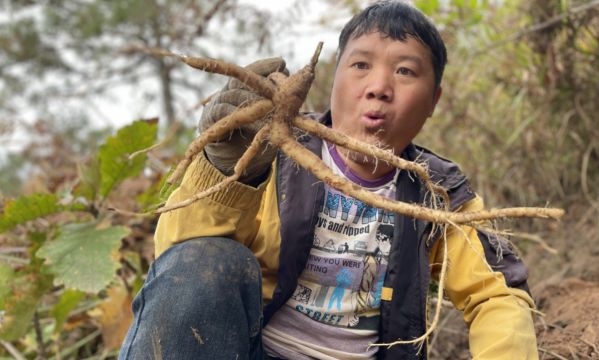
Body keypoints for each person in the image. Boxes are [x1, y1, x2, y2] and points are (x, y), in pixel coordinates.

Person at [120, 1, 538, 359]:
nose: (378, 87)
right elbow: (182, 269)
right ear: (334, 79)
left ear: (433, 102)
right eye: (360, 65)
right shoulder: (272, 161)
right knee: (209, 260)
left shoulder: (439, 193)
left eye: (406, 72)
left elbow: (497, 296)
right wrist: (228, 168)